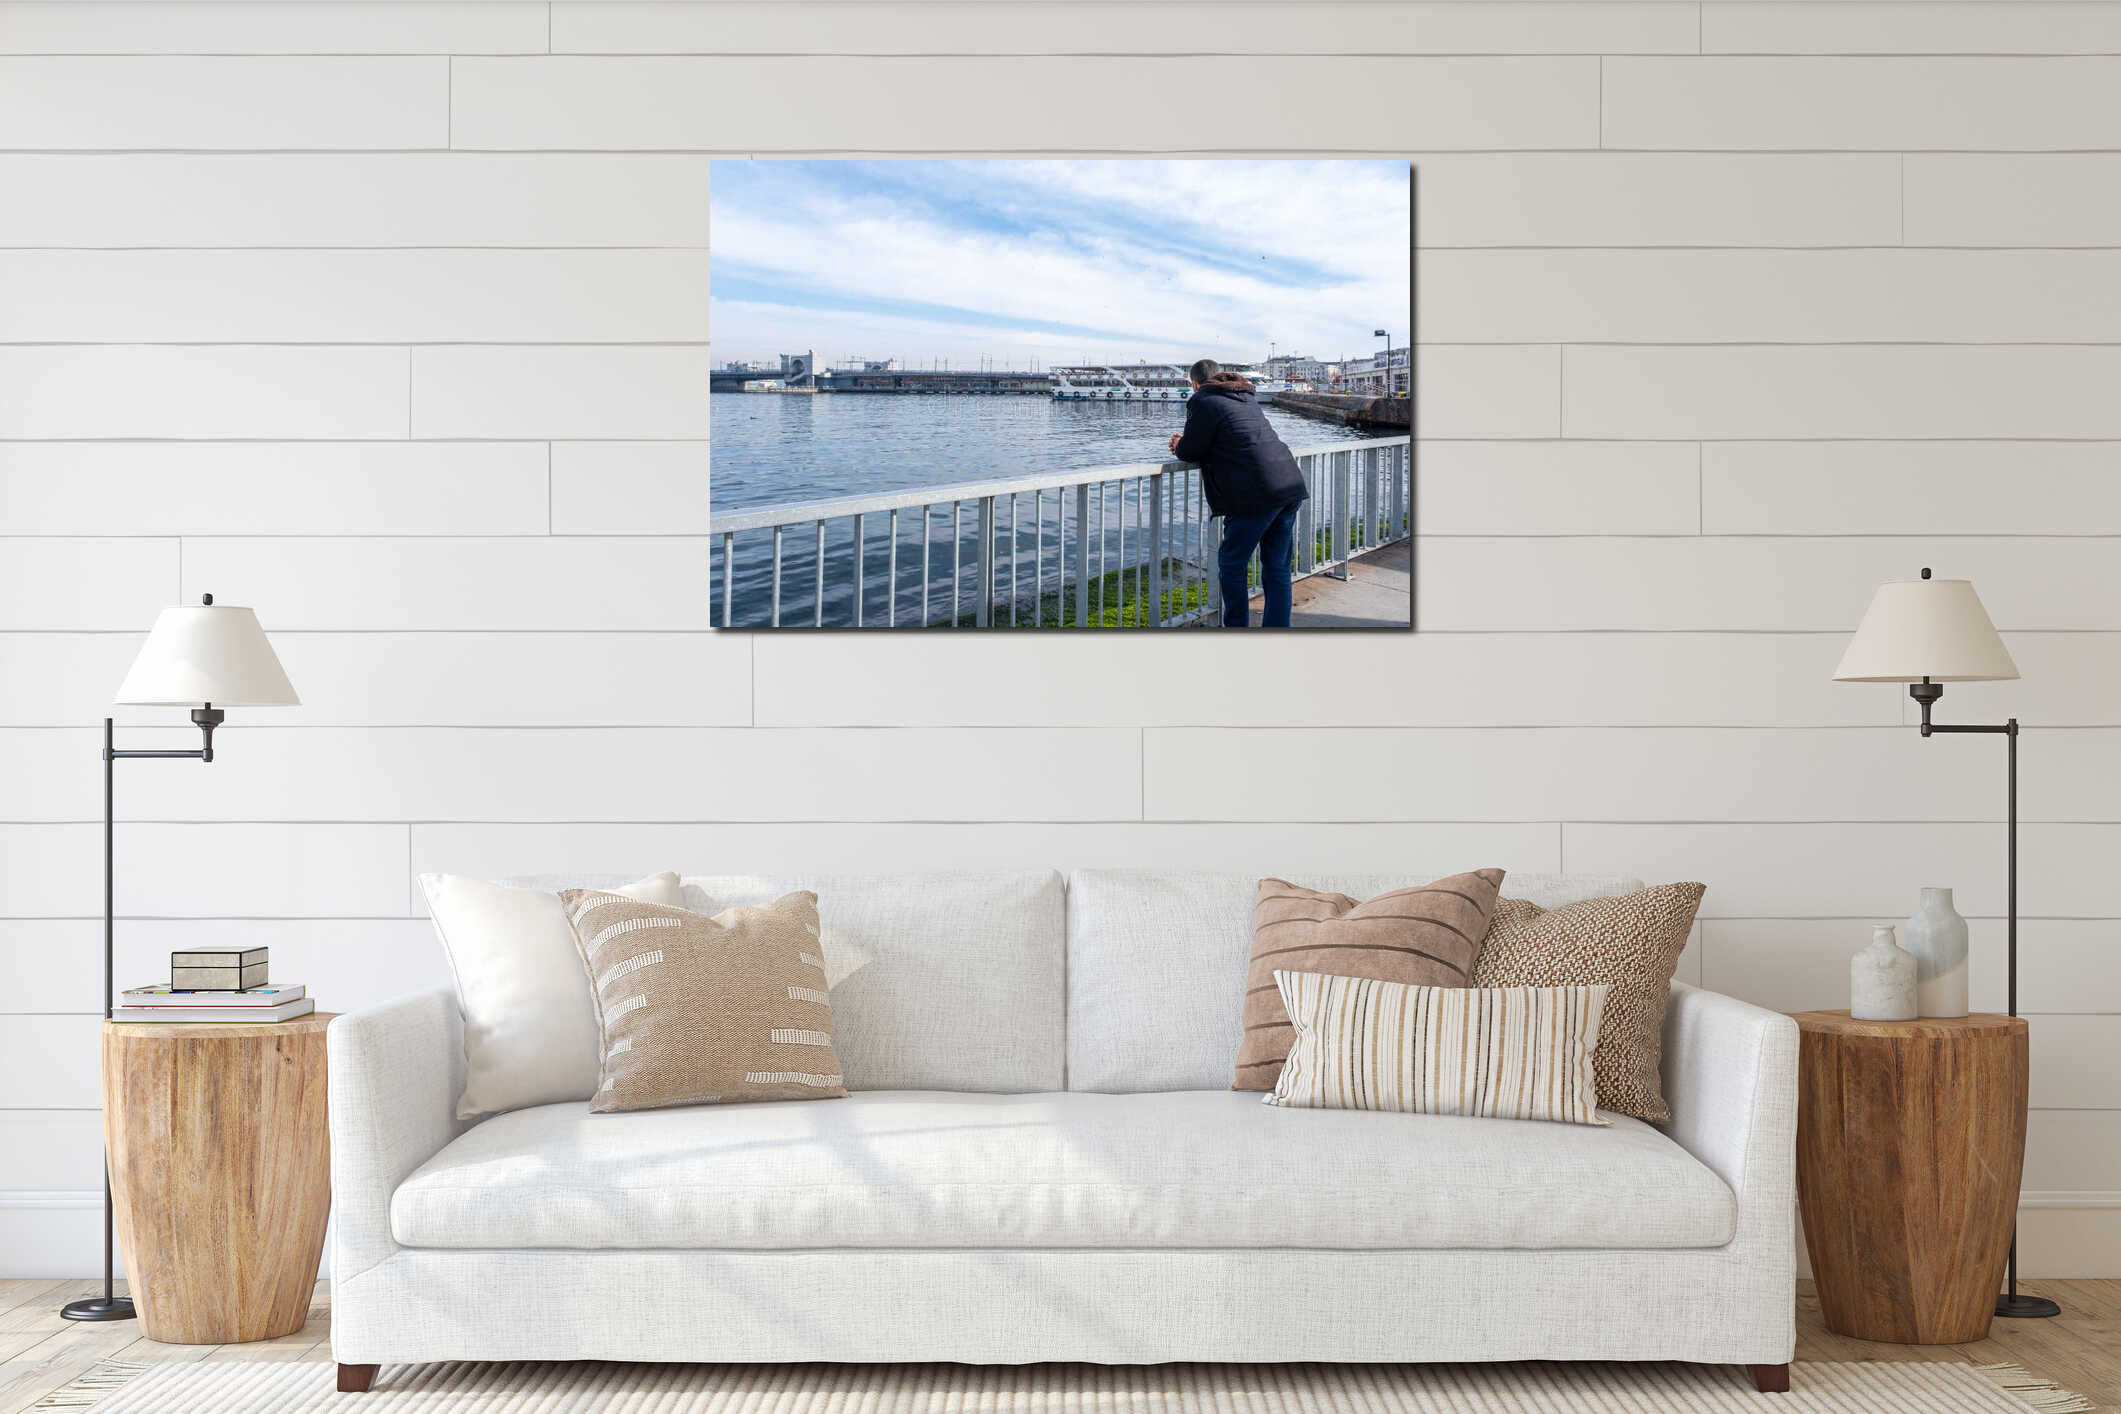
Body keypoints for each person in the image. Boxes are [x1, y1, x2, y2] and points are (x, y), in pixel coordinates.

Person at [1168, 358, 1309, 627]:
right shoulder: (1245, 396)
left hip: (1256, 494)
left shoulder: (1203, 400)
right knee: (1277, 567)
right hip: (1289, 484)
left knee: (1232, 564)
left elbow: (1191, 450)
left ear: (1195, 384)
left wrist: (1179, 443)